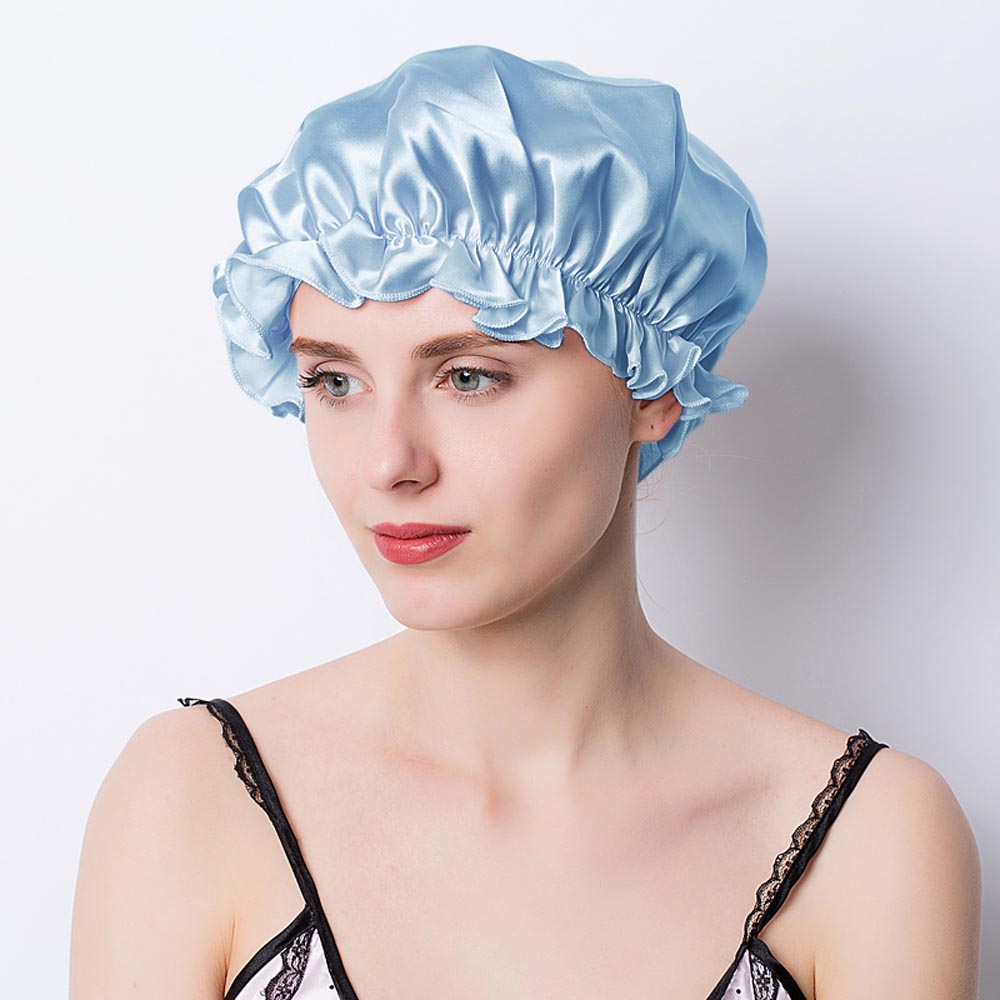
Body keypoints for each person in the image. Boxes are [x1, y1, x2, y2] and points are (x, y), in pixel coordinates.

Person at [69, 45, 981, 1000]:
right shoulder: (192, 798)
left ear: (651, 385)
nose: (386, 463)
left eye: (468, 377)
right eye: (335, 381)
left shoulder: (868, 840)